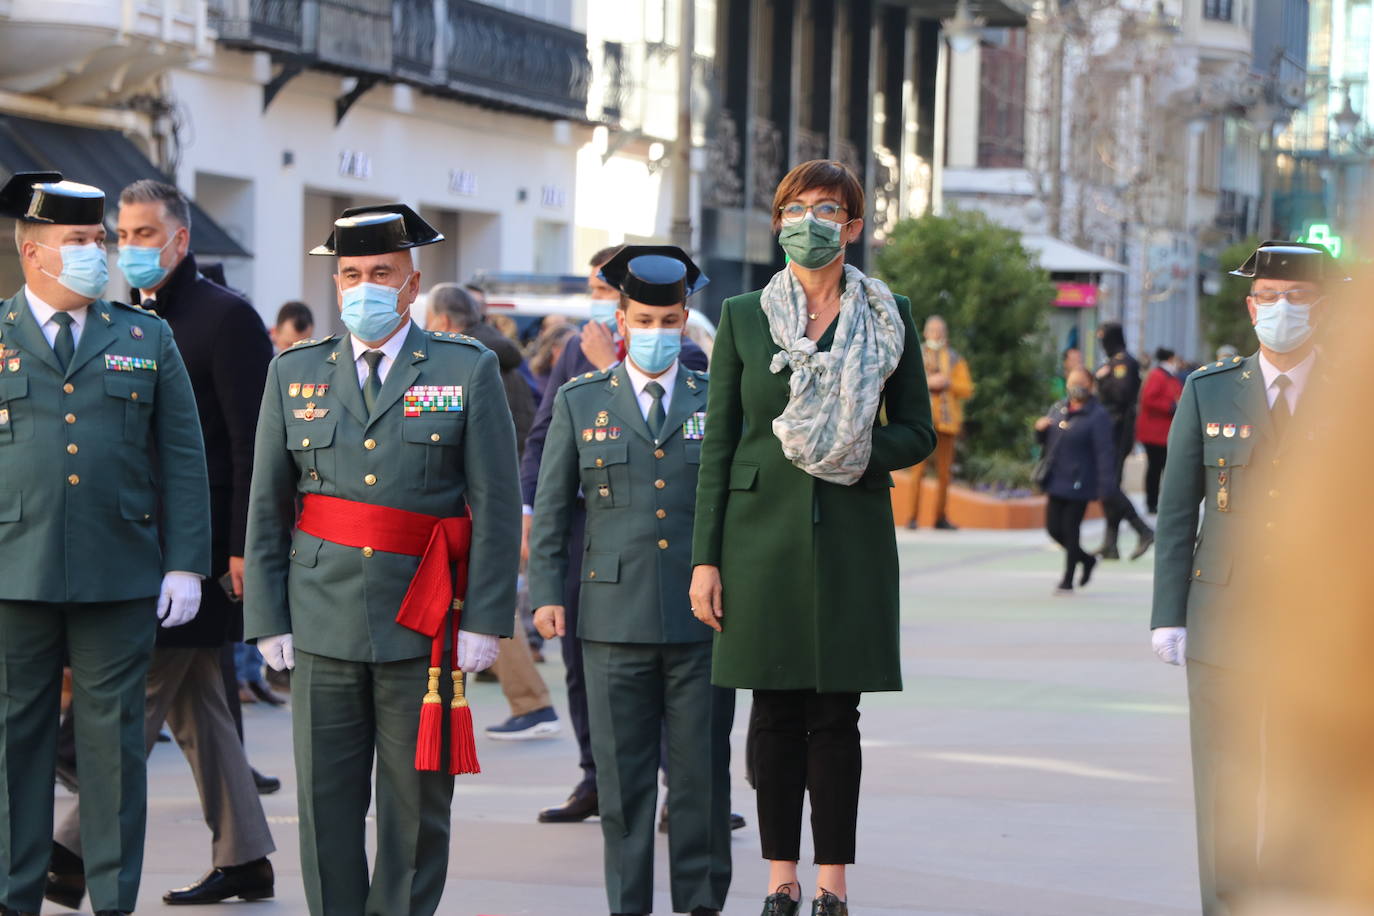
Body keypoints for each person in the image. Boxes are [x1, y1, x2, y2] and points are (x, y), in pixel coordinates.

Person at [243, 204, 521, 916]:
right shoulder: (294, 372)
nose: (365, 287)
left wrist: (485, 618)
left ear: (411, 282)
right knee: (325, 802)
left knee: (417, 807)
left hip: (423, 622)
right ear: (336, 283)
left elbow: (494, 502)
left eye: (381, 274)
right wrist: (268, 617)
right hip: (322, 616)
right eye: (352, 274)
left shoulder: (467, 369)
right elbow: (269, 507)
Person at [690, 159, 935, 916]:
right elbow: (719, 447)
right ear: (778, 221)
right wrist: (706, 559)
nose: (810, 221)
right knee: (773, 714)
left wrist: (859, 446)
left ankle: (832, 883)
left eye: (828, 209)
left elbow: (918, 431)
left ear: (854, 227)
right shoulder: (739, 317)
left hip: (852, 537)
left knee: (836, 716)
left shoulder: (890, 313)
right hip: (758, 541)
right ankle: (779, 880)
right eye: (796, 207)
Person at [45, 179, 278, 909]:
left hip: (204, 551)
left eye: (146, 233)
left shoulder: (227, 319)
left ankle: (67, 854)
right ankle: (244, 858)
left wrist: (243, 545)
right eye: (124, 235)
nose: (131, 248)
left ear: (181, 240)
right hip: (145, 543)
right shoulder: (128, 319)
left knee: (135, 694)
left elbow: (255, 446)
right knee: (199, 704)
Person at [0, 171, 211, 916]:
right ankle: (14, 895)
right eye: (77, 242)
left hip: (119, 572)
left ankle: (113, 900)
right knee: (13, 747)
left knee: (114, 749)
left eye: (100, 240)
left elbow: (183, 454)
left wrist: (188, 562)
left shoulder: (145, 336)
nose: (97, 254)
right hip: (11, 574)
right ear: (33, 253)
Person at [530, 245, 731, 916]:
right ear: (621, 319)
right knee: (624, 787)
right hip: (611, 620)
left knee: (701, 779)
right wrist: (548, 594)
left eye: (670, 320)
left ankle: (701, 904)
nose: (657, 333)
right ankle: (629, 906)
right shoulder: (582, 400)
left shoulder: (718, 398)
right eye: (644, 320)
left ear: (686, 319)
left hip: (703, 619)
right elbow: (555, 506)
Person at [1150, 240, 1343, 915]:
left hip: (1328, 628)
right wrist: (1167, 615)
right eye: (1268, 297)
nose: (1281, 309)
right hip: (1223, 620)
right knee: (1225, 786)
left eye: (1296, 297)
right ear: (1249, 305)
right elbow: (1177, 513)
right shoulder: (1210, 390)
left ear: (1322, 307)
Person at [425, 282, 557, 739]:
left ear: (443, 321)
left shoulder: (468, 364)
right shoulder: (501, 360)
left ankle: (532, 702)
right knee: (483, 601)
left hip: (481, 501)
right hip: (500, 495)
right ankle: (521, 695)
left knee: (486, 603)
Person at [427, 282, 536, 453]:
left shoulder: (457, 364)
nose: (426, 330)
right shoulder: (501, 357)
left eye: (428, 320)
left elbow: (436, 431)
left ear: (443, 321)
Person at [1034, 368, 1116, 593]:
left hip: (1081, 480)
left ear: (1090, 386)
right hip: (1056, 477)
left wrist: (1105, 486)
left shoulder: (1097, 415)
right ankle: (1086, 560)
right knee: (1054, 530)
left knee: (1071, 530)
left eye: (1081, 382)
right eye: (1072, 382)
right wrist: (1040, 430)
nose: (1076, 387)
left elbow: (1104, 452)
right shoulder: (1059, 408)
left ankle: (1068, 578)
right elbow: (1046, 442)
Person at [906, 314, 973, 530]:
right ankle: (912, 517)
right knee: (917, 472)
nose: (936, 334)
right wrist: (928, 382)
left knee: (945, 473)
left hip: (946, 423)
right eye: (933, 330)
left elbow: (966, 389)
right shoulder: (916, 354)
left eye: (940, 330)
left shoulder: (954, 358)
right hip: (921, 422)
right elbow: (906, 381)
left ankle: (940, 517)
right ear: (925, 333)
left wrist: (947, 383)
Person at [1092, 321, 1153, 560]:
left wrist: (1102, 380)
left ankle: (1144, 530)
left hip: (1118, 430)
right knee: (1109, 486)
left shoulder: (1123, 363)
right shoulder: (1113, 363)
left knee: (1108, 486)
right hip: (1110, 430)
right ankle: (1111, 543)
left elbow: (1121, 394)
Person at [1136, 346, 1184, 515]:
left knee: (1163, 469)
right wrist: (1170, 406)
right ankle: (1152, 503)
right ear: (1170, 359)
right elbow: (1149, 399)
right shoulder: (1158, 376)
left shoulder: (1168, 376)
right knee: (1156, 469)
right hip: (1155, 433)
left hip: (1163, 432)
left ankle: (1161, 502)